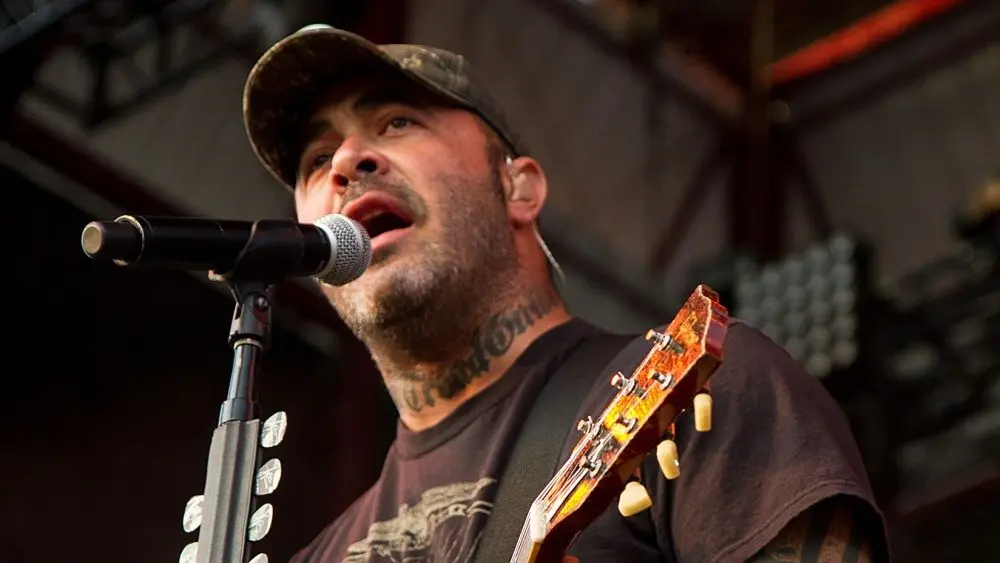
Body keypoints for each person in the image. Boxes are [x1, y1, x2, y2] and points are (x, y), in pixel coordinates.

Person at [241, 24, 890, 563]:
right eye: (314, 161)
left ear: (518, 187)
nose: (348, 160)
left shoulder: (700, 393)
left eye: (397, 121)